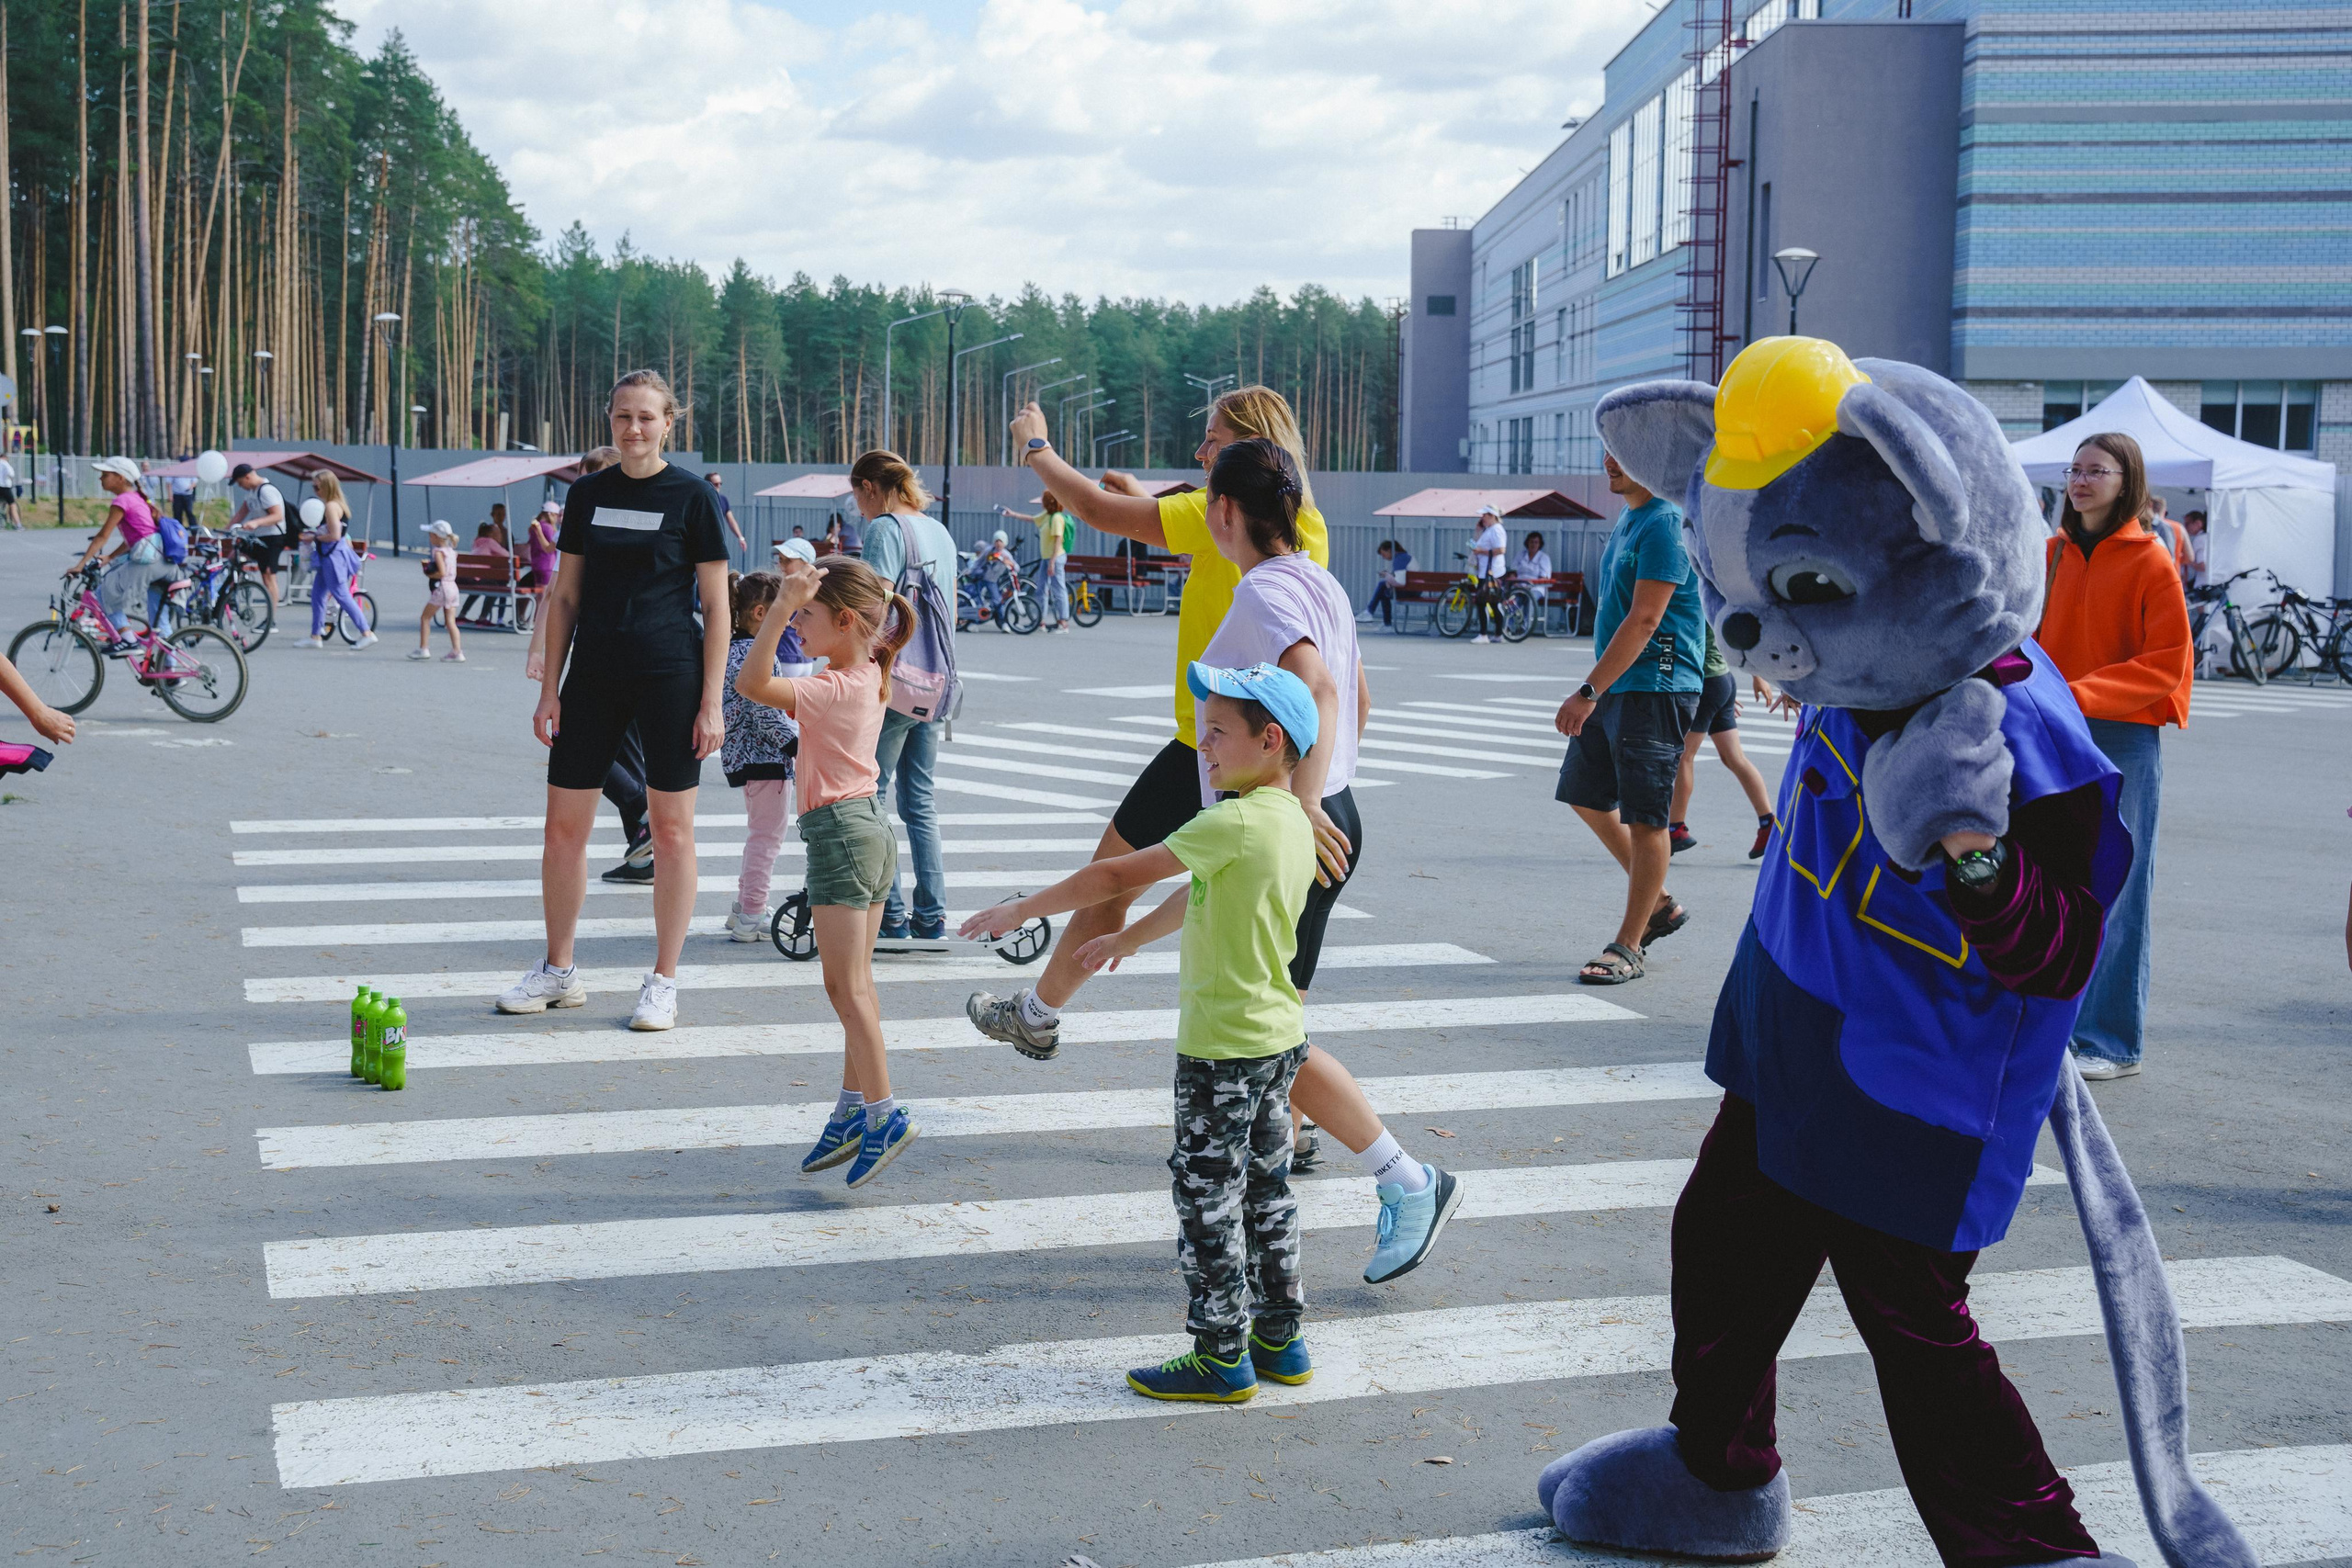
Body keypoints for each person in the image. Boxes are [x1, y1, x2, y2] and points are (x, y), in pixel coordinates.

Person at [967, 385, 1455, 1279]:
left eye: (1208, 453)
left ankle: (1404, 1177)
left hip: (1276, 815)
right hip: (1296, 808)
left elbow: (1322, 687)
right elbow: (1353, 694)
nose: (1194, 468)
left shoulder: (1266, 594)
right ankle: (1286, 1202)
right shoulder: (1312, 565)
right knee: (1265, 1024)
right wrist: (1320, 789)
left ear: (1225, 506)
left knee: (1264, 1031)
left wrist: (1296, 808)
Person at [962, 662, 1320, 1403]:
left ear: (1270, 738)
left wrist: (1023, 907)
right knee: (1267, 1189)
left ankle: (1222, 1355)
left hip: (1221, 1049)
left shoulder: (1231, 818)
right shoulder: (1290, 819)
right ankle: (1280, 1337)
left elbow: (1115, 877)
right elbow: (1202, 888)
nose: (1205, 746)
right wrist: (1130, 942)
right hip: (1278, 1040)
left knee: (1205, 1198)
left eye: (1218, 731)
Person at [503, 372, 730, 1032]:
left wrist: (711, 700)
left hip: (671, 675)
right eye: (623, 416)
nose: (634, 429)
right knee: (562, 831)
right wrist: (550, 687)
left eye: (647, 418)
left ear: (669, 424)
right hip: (594, 675)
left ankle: (663, 980)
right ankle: (558, 970)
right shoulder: (587, 495)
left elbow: (716, 608)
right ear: (610, 420)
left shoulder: (692, 497)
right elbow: (566, 596)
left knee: (671, 831)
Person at [735, 554, 919, 1186]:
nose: (796, 628)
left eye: (807, 618)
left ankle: (884, 1113)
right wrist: (806, 593)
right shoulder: (867, 668)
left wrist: (780, 602)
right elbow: (867, 611)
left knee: (846, 990)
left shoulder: (832, 685)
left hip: (840, 834)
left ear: (845, 621)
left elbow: (751, 684)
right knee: (857, 987)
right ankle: (850, 1109)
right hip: (869, 828)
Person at [2038, 431, 2192, 1081]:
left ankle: (2112, 1040)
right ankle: (2056, 1033)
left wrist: (2079, 692)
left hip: (2123, 735)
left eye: (2096, 470)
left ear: (2126, 481)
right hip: (2053, 730)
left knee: (2120, 889)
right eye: (2075, 469)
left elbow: (2167, 664)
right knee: (2052, 880)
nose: (2081, 480)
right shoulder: (2048, 554)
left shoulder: (2151, 561)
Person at [1553, 449, 1706, 985]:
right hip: (1618, 685)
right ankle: (1659, 903)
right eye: (1607, 450)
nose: (1610, 460)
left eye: (1625, 451)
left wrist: (1589, 690)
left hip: (1656, 689)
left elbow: (1645, 620)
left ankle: (1630, 944)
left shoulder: (1665, 521)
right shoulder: (1631, 517)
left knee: (1647, 819)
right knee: (1584, 793)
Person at [853, 449, 961, 941]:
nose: (859, 508)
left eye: (857, 496)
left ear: (870, 488)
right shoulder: (938, 530)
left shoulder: (884, 529)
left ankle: (890, 914)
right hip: (937, 684)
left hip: (896, 684)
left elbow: (870, 606)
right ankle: (933, 916)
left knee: (872, 795)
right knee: (920, 800)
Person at [719, 570, 799, 941]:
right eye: (784, 612)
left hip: (746, 757)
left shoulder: (733, 649)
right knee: (767, 839)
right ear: (759, 613)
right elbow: (763, 711)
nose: (790, 621)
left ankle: (743, 908)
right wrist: (798, 745)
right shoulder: (756, 653)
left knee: (759, 835)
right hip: (765, 757)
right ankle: (752, 912)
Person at [1666, 626, 1774, 858]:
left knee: (1684, 756)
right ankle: (1768, 823)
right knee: (1734, 758)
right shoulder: (1713, 592)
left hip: (1706, 682)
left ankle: (1675, 829)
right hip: (1721, 680)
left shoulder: (1688, 593)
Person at [73, 457, 166, 650]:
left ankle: (128, 640)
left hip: (147, 562)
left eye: (105, 475)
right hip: (163, 561)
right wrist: (110, 557)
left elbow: (101, 536)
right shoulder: (138, 498)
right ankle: (171, 672)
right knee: (158, 616)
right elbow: (134, 539)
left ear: (121, 478)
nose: (101, 479)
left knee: (103, 595)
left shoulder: (122, 501)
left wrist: (80, 565)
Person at [296, 471, 375, 649]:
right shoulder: (337, 504)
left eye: (317, 486)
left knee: (342, 596)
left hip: (333, 557)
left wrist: (314, 537)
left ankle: (366, 632)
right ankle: (315, 635)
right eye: (313, 486)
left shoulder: (331, 506)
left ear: (327, 487)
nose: (315, 490)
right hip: (331, 556)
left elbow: (335, 535)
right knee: (317, 595)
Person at [1000, 492, 1074, 630]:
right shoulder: (1047, 516)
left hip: (1055, 558)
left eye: (1044, 501)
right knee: (1041, 589)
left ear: (1049, 502)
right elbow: (1032, 519)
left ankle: (1063, 623)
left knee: (1058, 589)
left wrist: (1052, 561)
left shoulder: (1057, 518)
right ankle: (1040, 621)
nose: (1042, 503)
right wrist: (1012, 514)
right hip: (1047, 558)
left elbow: (1059, 540)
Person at [226, 463, 289, 605]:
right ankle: (230, 594)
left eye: (241, 483)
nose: (241, 487)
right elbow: (240, 514)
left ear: (248, 477)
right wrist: (224, 531)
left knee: (268, 575)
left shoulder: (266, 491)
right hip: (259, 537)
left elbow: (278, 516)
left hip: (273, 537)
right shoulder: (251, 494)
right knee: (234, 558)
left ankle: (271, 619)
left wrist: (256, 522)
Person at [410, 520, 467, 662]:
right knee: (450, 621)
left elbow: (441, 572)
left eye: (431, 535)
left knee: (425, 617)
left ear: (436, 536)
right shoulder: (452, 552)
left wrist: (428, 574)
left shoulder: (439, 552)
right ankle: (457, 651)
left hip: (443, 588)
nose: (429, 538)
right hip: (453, 587)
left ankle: (424, 648)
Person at [1469, 507, 1509, 643]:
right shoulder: (1488, 530)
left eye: (1485, 515)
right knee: (1492, 603)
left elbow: (1501, 549)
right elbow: (1476, 545)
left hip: (1492, 572)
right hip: (1484, 571)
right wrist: (1478, 531)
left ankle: (1483, 634)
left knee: (1482, 602)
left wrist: (1482, 551)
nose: (1482, 518)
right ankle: (1498, 634)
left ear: (1492, 516)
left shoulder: (1497, 529)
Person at [1360, 539, 1411, 627]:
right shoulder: (1406, 557)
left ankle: (1370, 611)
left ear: (1390, 550)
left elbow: (1400, 582)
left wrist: (1387, 576)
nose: (1384, 557)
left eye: (1384, 554)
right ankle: (1386, 623)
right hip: (1414, 590)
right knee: (1384, 592)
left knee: (1382, 585)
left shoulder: (1400, 559)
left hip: (1409, 591)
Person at [526, 499, 562, 610]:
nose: (557, 519)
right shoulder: (548, 528)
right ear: (550, 514)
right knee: (545, 597)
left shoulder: (534, 528)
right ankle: (537, 621)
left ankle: (532, 619)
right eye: (557, 515)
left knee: (540, 596)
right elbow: (550, 548)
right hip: (547, 564)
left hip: (536, 563)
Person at [705, 471, 748, 558]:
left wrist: (740, 537)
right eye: (716, 484)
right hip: (704, 539)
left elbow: (731, 520)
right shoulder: (703, 499)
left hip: (718, 539)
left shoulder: (723, 499)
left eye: (720, 483)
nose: (719, 486)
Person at [2180, 509, 2209, 590]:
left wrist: (2187, 560)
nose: (2185, 527)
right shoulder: (2208, 538)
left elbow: (2203, 566)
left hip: (2202, 585)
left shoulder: (2199, 540)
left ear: (2198, 523)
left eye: (2187, 524)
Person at [168, 458, 197, 532]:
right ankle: (178, 531)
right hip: (177, 495)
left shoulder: (190, 470)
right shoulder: (175, 470)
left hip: (188, 495)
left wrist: (189, 487)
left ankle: (194, 531)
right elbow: (169, 483)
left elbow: (194, 482)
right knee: (177, 514)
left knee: (189, 512)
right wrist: (170, 495)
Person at [0, 451, 19, 529]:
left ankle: (2, 524)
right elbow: (11, 474)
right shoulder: (5, 464)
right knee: (12, 505)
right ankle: (18, 524)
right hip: (5, 487)